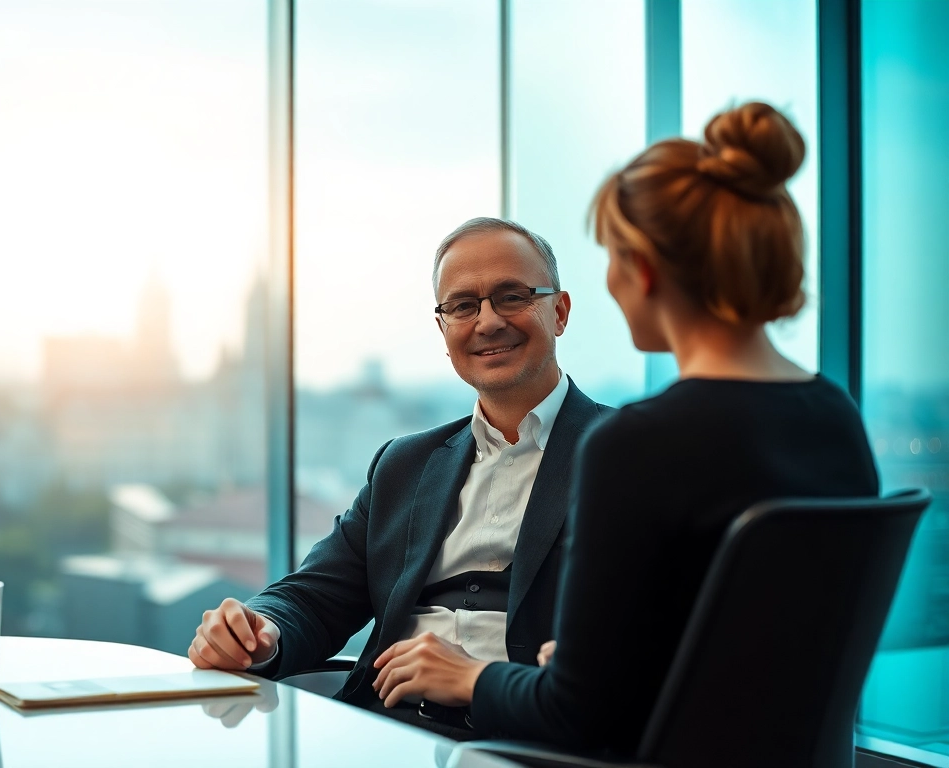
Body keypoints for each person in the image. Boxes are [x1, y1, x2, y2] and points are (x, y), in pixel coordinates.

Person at [367, 102, 880, 752]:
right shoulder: (836, 417)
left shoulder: (635, 446)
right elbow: (760, 652)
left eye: (612, 257)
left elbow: (582, 718)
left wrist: (474, 678)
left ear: (643, 271)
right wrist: (606, 672)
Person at [190, 216, 612, 738]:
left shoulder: (629, 456)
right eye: (463, 306)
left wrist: (483, 680)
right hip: (386, 732)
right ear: (443, 328)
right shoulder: (405, 463)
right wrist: (259, 629)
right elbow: (314, 595)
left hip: (530, 741)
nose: (486, 322)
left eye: (511, 296)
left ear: (560, 311)